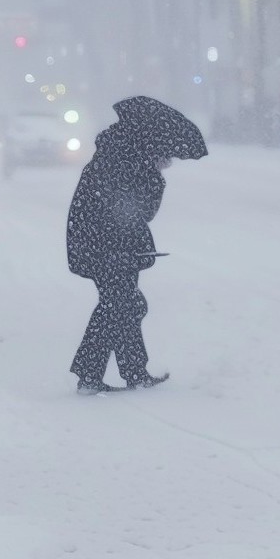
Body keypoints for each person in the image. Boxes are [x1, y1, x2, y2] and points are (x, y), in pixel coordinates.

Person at [66, 95, 206, 394]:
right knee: (123, 305)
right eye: (167, 152)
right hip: (109, 248)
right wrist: (156, 178)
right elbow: (139, 212)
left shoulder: (118, 153)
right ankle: (93, 375)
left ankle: (129, 372)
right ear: (153, 141)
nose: (169, 158)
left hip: (102, 244)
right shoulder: (128, 161)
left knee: (122, 305)